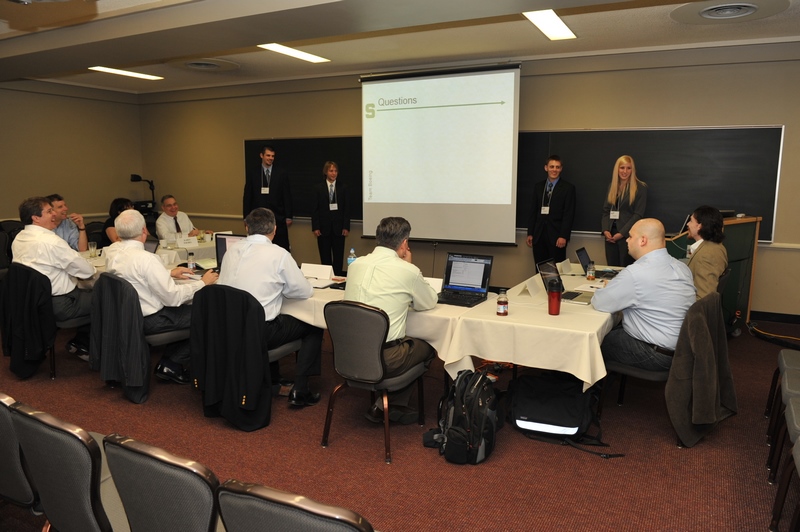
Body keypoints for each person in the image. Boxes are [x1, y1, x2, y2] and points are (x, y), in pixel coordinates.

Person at [218, 208, 323, 407]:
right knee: (314, 324)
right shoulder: (279, 254)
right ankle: (301, 389)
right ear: (275, 229)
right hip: (260, 333)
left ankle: (274, 379)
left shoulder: (231, 250)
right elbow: (303, 291)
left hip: (229, 329)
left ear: (246, 227)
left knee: (274, 315)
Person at [344, 216, 438, 424]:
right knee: (430, 343)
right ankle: (391, 404)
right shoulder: (407, 270)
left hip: (347, 354)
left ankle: (384, 404)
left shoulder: (355, 264)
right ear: (404, 243)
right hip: (385, 358)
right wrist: (409, 268)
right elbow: (428, 302)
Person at [106, 209, 218, 384]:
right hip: (152, 319)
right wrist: (202, 283)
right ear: (144, 230)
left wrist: (169, 272)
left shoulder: (112, 251)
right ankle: (172, 363)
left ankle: (169, 361)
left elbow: (134, 275)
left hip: (127, 316)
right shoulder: (146, 258)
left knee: (191, 310)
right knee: (211, 314)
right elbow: (173, 298)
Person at [592, 218, 695, 370]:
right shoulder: (681, 267)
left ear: (643, 240)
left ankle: (577, 384)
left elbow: (599, 302)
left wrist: (610, 288)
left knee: (592, 342)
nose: (627, 240)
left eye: (630, 236)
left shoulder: (636, 273)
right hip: (683, 349)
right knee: (612, 328)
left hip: (655, 353)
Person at [12, 197, 96, 355]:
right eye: (49, 211)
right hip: (61, 305)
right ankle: (88, 344)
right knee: (108, 296)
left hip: (34, 303)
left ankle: (82, 340)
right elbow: (87, 271)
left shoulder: (19, 238)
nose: (54, 214)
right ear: (36, 218)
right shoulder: (52, 242)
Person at [526, 155, 576, 264]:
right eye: (551, 166)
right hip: (538, 236)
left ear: (561, 169)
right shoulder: (538, 187)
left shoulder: (568, 188)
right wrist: (530, 233)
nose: (554, 170)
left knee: (556, 269)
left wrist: (563, 236)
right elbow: (533, 211)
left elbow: (569, 214)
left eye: (557, 167)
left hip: (557, 237)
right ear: (546, 168)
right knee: (540, 269)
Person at [243, 145, 293, 251]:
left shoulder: (281, 173)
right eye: (268, 155)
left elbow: (287, 195)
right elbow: (247, 196)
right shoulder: (253, 173)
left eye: (272, 156)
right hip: (257, 218)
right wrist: (246, 216)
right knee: (259, 249)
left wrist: (288, 216)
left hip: (278, 217)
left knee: (280, 248)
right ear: (261, 155)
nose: (270, 158)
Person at [600, 155, 647, 267]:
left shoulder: (640, 188)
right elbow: (606, 210)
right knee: (611, 268)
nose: (625, 171)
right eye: (622, 168)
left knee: (625, 268)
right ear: (617, 169)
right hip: (610, 235)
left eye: (628, 168)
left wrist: (621, 233)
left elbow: (638, 215)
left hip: (627, 236)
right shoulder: (612, 186)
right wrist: (605, 230)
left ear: (632, 170)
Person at [311, 161, 350, 276]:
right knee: (325, 256)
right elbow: (314, 209)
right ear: (326, 172)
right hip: (323, 228)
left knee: (338, 256)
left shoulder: (343, 188)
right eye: (331, 171)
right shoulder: (318, 188)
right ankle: (326, 278)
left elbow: (347, 209)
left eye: (335, 171)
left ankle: (337, 278)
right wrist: (316, 227)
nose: (333, 173)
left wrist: (346, 226)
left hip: (339, 228)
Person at [686, 205, 728, 300]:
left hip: (694, 308)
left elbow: (704, 298)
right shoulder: (717, 247)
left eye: (691, 221)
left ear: (699, 226)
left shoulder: (706, 256)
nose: (688, 224)